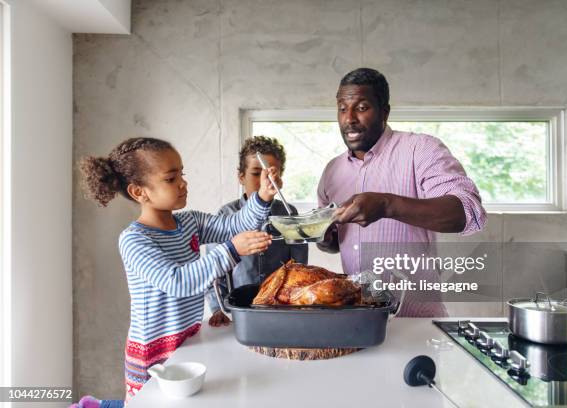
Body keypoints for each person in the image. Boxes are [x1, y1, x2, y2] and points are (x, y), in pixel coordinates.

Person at [79, 137, 280, 400]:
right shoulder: (134, 239)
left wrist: (263, 196)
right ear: (139, 192)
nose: (183, 183)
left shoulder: (190, 222)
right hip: (152, 354)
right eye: (171, 179)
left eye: (181, 174)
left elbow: (233, 225)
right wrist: (231, 250)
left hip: (187, 341)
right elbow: (178, 282)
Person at [317, 68, 487, 317]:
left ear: (384, 112)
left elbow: (469, 212)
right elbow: (332, 244)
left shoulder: (421, 149)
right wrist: (324, 236)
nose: (349, 118)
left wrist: (386, 205)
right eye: (342, 108)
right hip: (358, 320)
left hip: (416, 320)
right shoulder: (332, 171)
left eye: (362, 107)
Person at [206, 136, 308, 326]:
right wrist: (217, 308)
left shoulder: (288, 213)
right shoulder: (226, 214)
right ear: (241, 176)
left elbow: (298, 266)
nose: (264, 181)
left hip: (281, 307)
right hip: (241, 308)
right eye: (256, 173)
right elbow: (214, 270)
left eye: (270, 174)